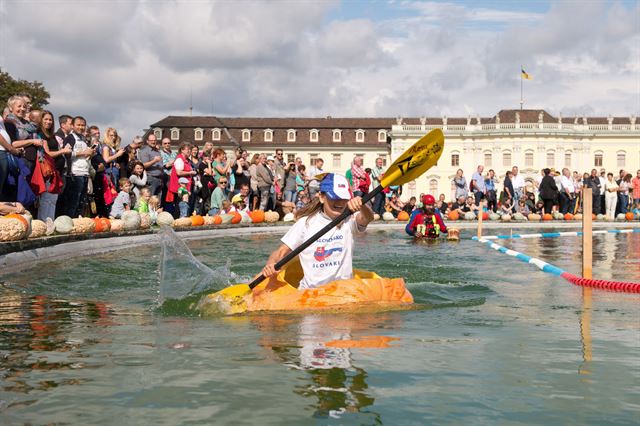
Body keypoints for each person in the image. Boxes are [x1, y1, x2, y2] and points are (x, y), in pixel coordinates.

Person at [261, 173, 373, 290]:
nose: (340, 202)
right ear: (321, 197)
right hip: (311, 294)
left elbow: (367, 218)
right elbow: (281, 251)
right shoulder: (305, 223)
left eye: (343, 198)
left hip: (343, 292)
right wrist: (271, 264)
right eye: (334, 197)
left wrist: (362, 205)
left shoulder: (349, 220)